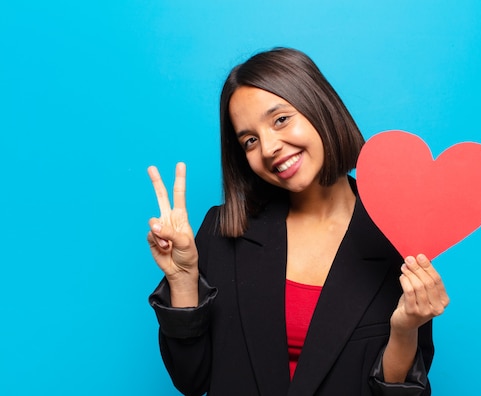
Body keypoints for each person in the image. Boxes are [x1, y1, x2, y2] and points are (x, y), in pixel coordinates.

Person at [147, 47, 449, 396]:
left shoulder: (395, 233)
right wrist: (184, 281)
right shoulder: (224, 229)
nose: (269, 147)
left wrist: (405, 329)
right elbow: (191, 379)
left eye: (280, 120)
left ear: (319, 107)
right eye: (249, 140)